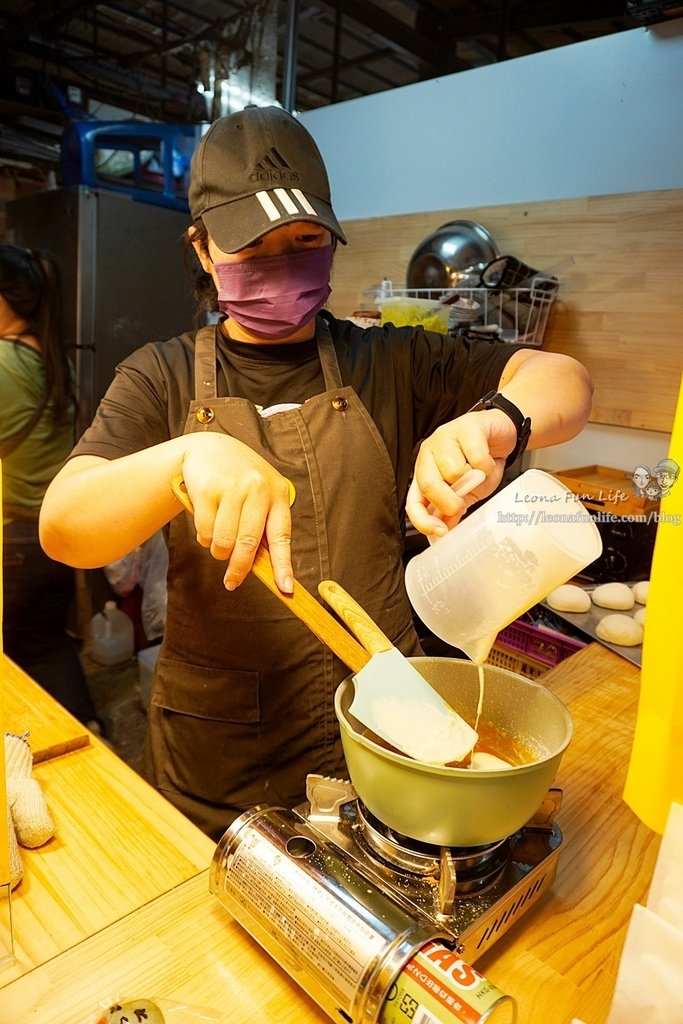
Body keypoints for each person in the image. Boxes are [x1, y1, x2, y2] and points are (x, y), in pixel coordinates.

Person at [40, 106, 594, 839]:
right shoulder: (161, 377)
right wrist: (184, 455)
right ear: (203, 249)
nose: (282, 264)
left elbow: (560, 377)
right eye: (253, 246)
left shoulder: (390, 361)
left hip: (384, 741)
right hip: (219, 763)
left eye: (304, 242)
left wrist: (497, 420)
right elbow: (65, 527)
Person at [0, 244, 101, 729]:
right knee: (46, 643)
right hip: (52, 537)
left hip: (15, 543)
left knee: (19, 655)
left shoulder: (3, 361)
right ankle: (88, 731)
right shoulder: (52, 358)